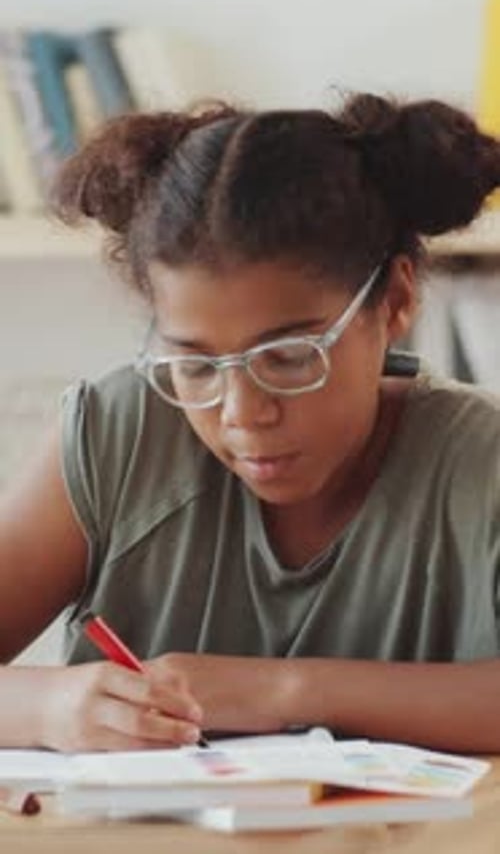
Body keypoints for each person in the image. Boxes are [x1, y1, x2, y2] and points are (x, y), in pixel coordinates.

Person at [0, 93, 499, 755]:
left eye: (290, 357)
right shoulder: (117, 434)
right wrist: (49, 708)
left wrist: (277, 691)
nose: (242, 413)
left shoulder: (481, 464)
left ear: (398, 300)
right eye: (196, 366)